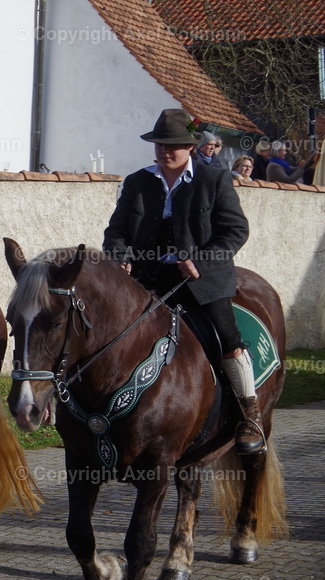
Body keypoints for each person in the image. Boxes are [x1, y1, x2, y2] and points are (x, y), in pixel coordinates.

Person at [102, 108, 265, 455]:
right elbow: (115, 231)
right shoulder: (137, 182)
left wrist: (200, 262)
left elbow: (235, 231)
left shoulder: (214, 179)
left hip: (201, 281)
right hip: (147, 280)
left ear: (190, 146)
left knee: (227, 338)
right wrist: (120, 256)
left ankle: (249, 415)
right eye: (160, 144)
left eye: (173, 145)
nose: (165, 151)